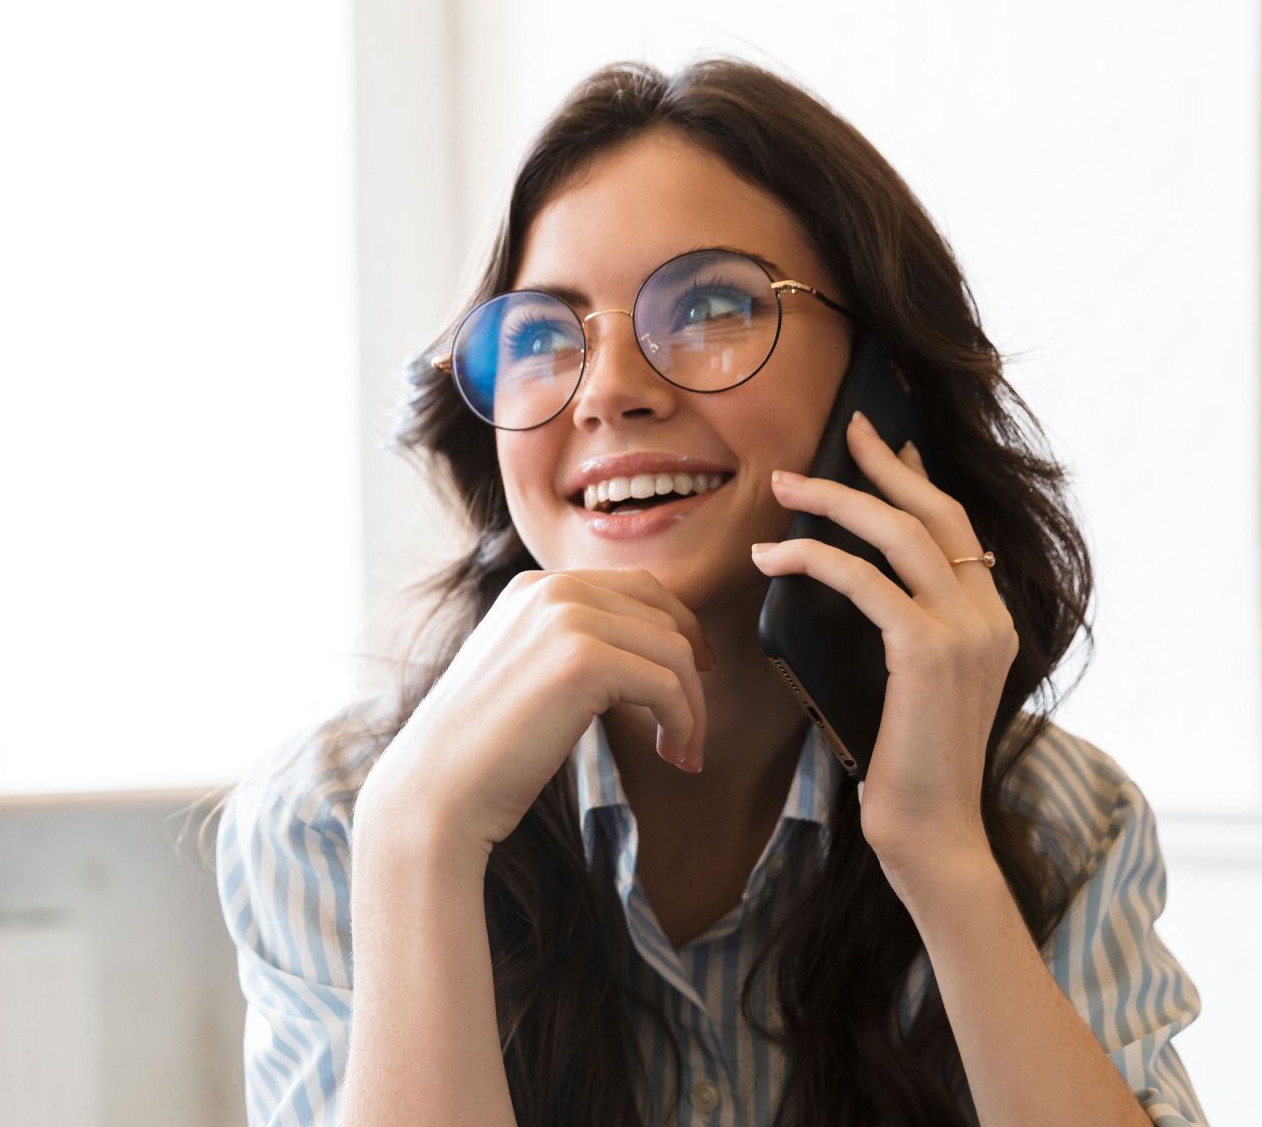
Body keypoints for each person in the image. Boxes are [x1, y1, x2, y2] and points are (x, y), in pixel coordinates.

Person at [211, 55, 1207, 1127]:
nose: (610, 392)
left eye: (713, 305)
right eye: (546, 332)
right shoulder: (338, 816)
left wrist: (942, 853)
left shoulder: (1059, 820)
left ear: (882, 384)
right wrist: (419, 844)